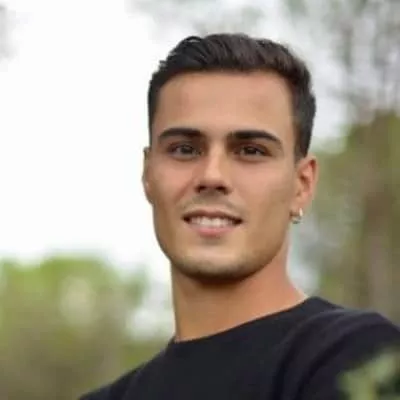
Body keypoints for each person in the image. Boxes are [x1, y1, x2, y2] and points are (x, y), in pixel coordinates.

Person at [80, 33, 400, 400]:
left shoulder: (357, 357)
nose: (212, 176)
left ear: (302, 185)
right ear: (148, 174)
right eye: (184, 149)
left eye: (251, 151)